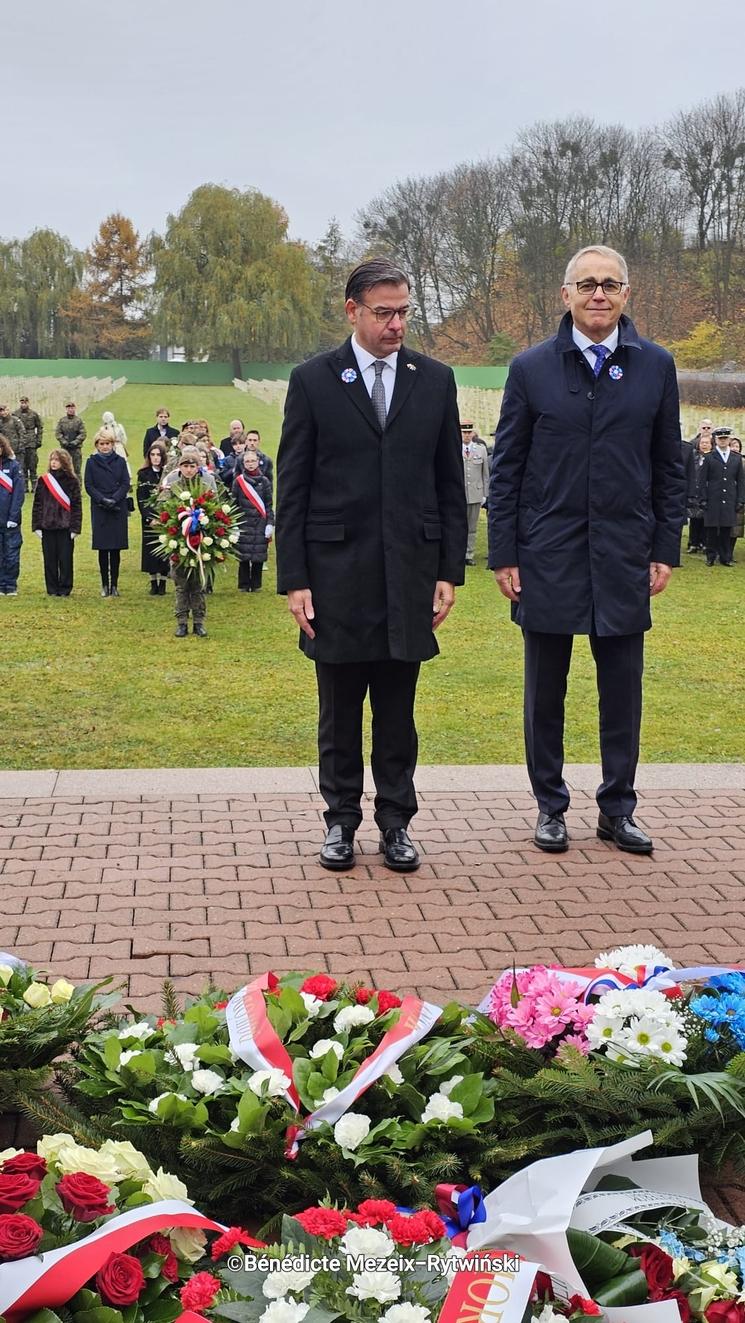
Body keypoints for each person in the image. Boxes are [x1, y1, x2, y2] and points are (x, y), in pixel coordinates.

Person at [488, 243, 686, 857]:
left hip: (625, 553)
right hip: (548, 552)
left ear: (627, 294)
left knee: (622, 692)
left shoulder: (656, 366)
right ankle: (551, 807)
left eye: (611, 284)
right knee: (544, 690)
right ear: (565, 294)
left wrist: (664, 548)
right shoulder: (531, 369)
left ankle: (617, 810)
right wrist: (504, 554)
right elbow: (507, 469)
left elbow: (667, 467)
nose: (599, 294)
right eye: (587, 284)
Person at [276, 257, 467, 873]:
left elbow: (447, 481)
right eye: (383, 313)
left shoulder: (434, 380)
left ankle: (395, 823)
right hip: (335, 577)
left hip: (408, 574)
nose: (396, 325)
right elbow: (293, 486)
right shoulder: (313, 381)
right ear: (352, 310)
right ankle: (340, 821)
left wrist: (447, 570)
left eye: (403, 312)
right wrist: (296, 579)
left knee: (397, 711)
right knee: (338, 710)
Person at [159, 446, 217, 637]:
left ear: (197, 467)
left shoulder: (206, 483)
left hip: (200, 540)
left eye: (192, 466)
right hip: (178, 539)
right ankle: (182, 621)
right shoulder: (172, 484)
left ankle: (199, 621)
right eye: (185, 466)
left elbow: (215, 509)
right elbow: (162, 507)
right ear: (180, 467)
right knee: (180, 584)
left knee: (198, 584)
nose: (189, 469)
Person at [84, 427, 130, 597]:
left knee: (115, 549)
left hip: (117, 508)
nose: (105, 447)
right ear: (97, 445)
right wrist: (102, 500)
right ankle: (104, 584)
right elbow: (89, 485)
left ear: (113, 444)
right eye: (102, 444)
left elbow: (126, 483)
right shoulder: (91, 462)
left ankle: (115, 585)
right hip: (100, 508)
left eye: (108, 444)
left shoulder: (120, 461)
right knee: (103, 549)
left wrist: (115, 499)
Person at [31, 449, 82, 596]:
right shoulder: (43, 480)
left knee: (65, 560)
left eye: (57, 460)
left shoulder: (72, 481)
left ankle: (65, 588)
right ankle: (52, 589)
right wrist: (37, 526)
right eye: (52, 459)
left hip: (65, 528)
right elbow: (37, 504)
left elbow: (77, 506)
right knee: (50, 560)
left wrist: (75, 528)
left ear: (64, 462)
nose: (54, 462)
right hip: (47, 527)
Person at [698, 427, 745, 566]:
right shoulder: (709, 457)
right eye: (720, 439)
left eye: (725, 438)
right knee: (712, 529)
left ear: (729, 440)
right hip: (713, 498)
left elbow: (741, 482)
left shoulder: (736, 459)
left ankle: (725, 557)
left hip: (730, 498)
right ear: (716, 440)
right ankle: (711, 556)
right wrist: (703, 499)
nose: (723, 441)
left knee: (726, 529)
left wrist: (741, 499)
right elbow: (702, 481)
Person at [233, 447, 274, 592]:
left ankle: (256, 584)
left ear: (258, 462)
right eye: (247, 461)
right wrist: (234, 524)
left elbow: (269, 504)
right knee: (243, 555)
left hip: (260, 522)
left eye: (253, 461)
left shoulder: (265, 481)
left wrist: (270, 523)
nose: (250, 464)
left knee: (258, 554)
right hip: (244, 522)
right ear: (243, 464)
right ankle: (244, 584)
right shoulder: (239, 481)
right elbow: (234, 503)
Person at [136, 441, 169, 594]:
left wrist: (164, 517)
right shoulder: (143, 474)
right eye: (153, 455)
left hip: (164, 518)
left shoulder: (167, 474)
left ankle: (162, 581)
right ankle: (153, 581)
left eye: (158, 455)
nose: (156, 458)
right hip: (150, 519)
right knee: (150, 549)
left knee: (163, 549)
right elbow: (142, 499)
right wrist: (149, 518)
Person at [461, 421, 489, 565]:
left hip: (475, 494)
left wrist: (485, 494)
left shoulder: (481, 450)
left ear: (472, 433)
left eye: (468, 432)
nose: (466, 435)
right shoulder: (454, 448)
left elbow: (485, 474)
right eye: (464, 432)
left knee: (472, 527)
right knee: (459, 526)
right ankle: (458, 553)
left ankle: (469, 554)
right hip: (459, 494)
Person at [0, 434, 25, 596]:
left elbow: (18, 493)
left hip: (10, 520)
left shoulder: (14, 466)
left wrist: (13, 517)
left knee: (11, 554)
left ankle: (10, 585)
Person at [687, 432, 713, 553]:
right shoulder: (693, 457)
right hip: (695, 490)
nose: (704, 445)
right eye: (702, 443)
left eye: (707, 443)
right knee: (694, 518)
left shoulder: (713, 457)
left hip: (707, 491)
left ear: (711, 445)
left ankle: (703, 542)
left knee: (704, 519)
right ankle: (693, 543)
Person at [13, 396, 44, 492]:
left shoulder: (34, 414)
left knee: (33, 464)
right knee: (23, 465)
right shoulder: (15, 414)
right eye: (22, 402)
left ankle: (34, 485)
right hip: (21, 443)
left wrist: (38, 440)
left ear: (28, 403)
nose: (23, 404)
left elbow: (40, 427)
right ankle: (25, 486)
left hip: (31, 442)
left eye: (25, 402)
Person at [55, 402, 86, 478]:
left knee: (77, 470)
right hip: (65, 449)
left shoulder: (78, 421)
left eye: (72, 408)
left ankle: (77, 487)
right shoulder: (62, 421)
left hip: (76, 449)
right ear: (66, 409)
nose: (70, 410)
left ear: (74, 409)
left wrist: (75, 442)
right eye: (69, 408)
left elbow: (83, 434)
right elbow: (58, 433)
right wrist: (64, 442)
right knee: (64, 468)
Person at [729, 437, 743, 561]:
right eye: (733, 445)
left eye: (737, 446)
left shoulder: (743, 462)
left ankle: (730, 553)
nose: (735, 448)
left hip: (740, 498)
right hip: (728, 497)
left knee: (736, 528)